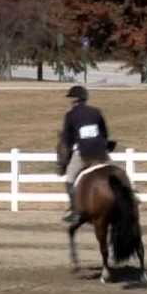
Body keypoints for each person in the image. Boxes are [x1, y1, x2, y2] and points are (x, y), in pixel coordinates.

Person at [60, 85, 111, 223]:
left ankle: (75, 210)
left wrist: (66, 158)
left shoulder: (70, 115)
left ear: (75, 100)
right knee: (114, 173)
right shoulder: (96, 112)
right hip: (100, 152)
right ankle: (131, 195)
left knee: (70, 178)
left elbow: (67, 140)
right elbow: (105, 133)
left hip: (84, 153)